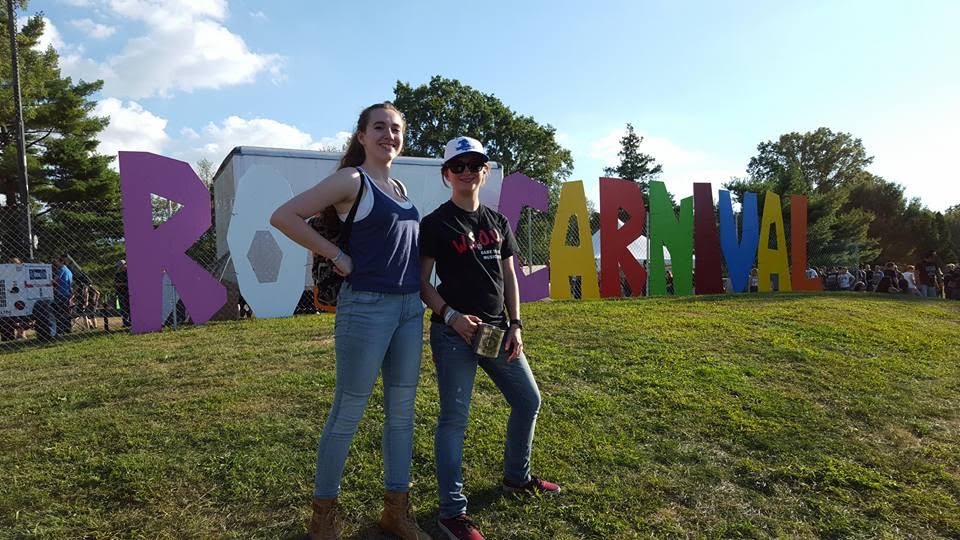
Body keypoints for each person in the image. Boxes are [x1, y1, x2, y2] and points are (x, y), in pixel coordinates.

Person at [270, 102, 428, 540]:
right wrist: (335, 254)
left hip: (408, 310)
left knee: (401, 415)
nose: (388, 136)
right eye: (379, 127)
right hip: (367, 309)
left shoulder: (398, 186)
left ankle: (396, 511)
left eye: (395, 129)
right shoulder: (352, 180)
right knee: (348, 411)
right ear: (361, 136)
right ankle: (324, 518)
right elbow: (283, 216)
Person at [420, 136, 560, 540]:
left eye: (474, 164)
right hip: (454, 334)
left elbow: (510, 276)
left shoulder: (497, 222)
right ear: (447, 174)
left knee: (528, 399)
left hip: (497, 332)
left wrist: (516, 324)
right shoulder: (436, 223)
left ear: (485, 171)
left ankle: (517, 478)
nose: (467, 171)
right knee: (454, 420)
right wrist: (450, 316)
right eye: (458, 165)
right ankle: (452, 514)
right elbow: (421, 283)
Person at [52, 257, 74, 336]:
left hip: (61, 293)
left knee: (60, 312)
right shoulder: (69, 271)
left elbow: (54, 280)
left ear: (61, 262)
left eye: (56, 262)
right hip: (67, 293)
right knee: (66, 311)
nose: (55, 264)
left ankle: (61, 329)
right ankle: (68, 328)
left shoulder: (61, 270)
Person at [114, 260, 130, 328]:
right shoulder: (118, 274)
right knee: (123, 308)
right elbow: (116, 283)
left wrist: (122, 284)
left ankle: (130, 321)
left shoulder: (128, 272)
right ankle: (125, 322)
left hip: (128, 292)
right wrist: (124, 284)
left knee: (129, 307)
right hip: (120, 293)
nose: (119, 268)